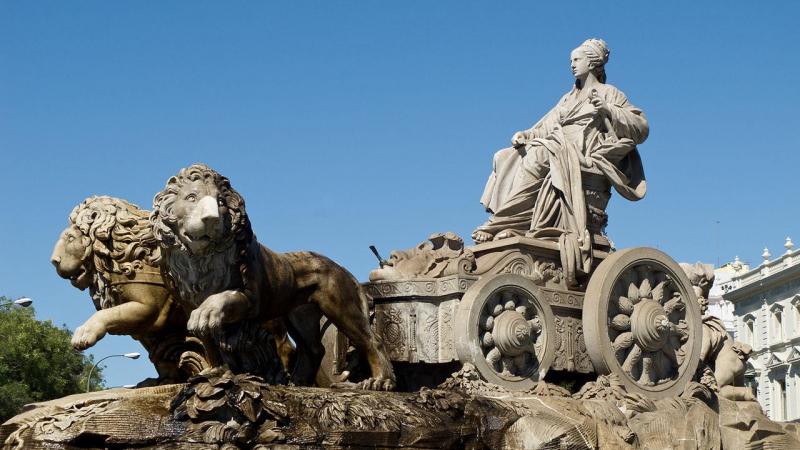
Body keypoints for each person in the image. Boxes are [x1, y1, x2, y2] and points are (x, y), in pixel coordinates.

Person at [472, 38, 649, 284]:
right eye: (571, 61)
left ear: (592, 62)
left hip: (581, 152)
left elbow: (641, 128)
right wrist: (528, 134)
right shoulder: (567, 98)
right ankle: (509, 223)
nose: (572, 65)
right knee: (505, 156)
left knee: (537, 156)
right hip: (557, 143)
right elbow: (546, 125)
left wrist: (609, 110)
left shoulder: (610, 93)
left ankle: (503, 223)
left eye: (577, 60)